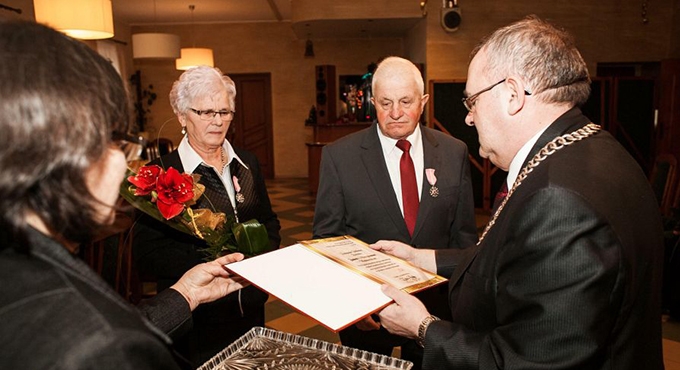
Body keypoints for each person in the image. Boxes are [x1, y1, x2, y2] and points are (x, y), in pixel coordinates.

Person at [373, 16, 664, 369]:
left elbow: (524, 361)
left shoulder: (559, 202)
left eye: (472, 102)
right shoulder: (595, 151)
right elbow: (514, 260)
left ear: (512, 94)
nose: (468, 118)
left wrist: (423, 328)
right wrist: (420, 259)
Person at [0, 19, 248, 370]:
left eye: (224, 112)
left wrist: (187, 294)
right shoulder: (101, 347)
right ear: (73, 152)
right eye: (120, 143)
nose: (124, 164)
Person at [312, 56, 477, 368]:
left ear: (424, 101)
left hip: (435, 312)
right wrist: (356, 307)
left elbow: (465, 239)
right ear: (373, 102)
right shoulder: (340, 156)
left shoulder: (454, 152)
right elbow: (327, 242)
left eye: (405, 101)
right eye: (385, 103)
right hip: (368, 315)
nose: (396, 113)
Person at [133, 66, 281, 365]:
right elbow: (147, 253)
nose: (217, 121)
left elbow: (270, 223)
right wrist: (217, 263)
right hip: (196, 318)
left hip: (250, 306)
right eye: (206, 112)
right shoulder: (162, 174)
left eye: (225, 112)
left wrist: (258, 255)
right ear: (182, 116)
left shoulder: (247, 162)